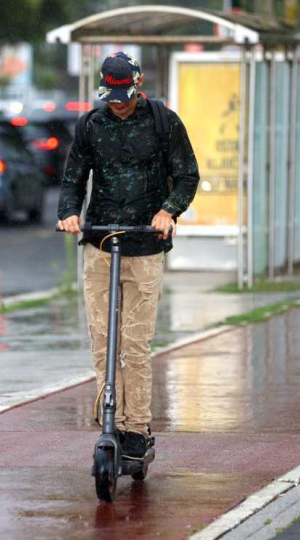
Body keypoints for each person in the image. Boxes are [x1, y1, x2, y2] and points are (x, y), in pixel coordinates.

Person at [57, 51, 199, 460]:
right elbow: (72, 180)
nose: (117, 102)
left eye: (124, 95)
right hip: (100, 241)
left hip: (145, 243)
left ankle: (136, 428)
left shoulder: (162, 121)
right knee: (103, 342)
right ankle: (111, 423)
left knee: (135, 342)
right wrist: (68, 213)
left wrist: (168, 211)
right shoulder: (91, 125)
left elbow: (188, 174)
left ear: (137, 87)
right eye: (111, 95)